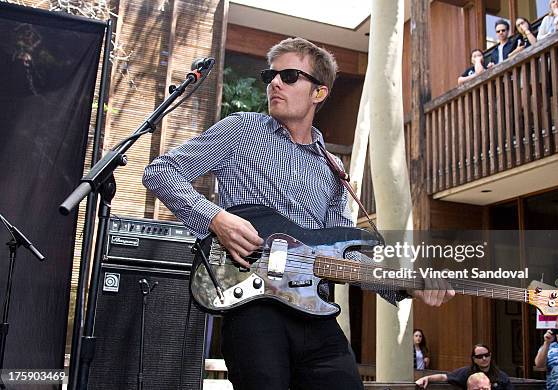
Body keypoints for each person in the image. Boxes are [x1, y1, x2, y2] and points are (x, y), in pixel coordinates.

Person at [143, 37, 454, 390]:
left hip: (313, 310)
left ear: (319, 93)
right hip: (251, 302)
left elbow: (347, 256)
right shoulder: (241, 129)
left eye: (289, 76)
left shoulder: (333, 167)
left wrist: (409, 285)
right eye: (271, 76)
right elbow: (161, 171)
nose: (274, 83)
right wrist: (215, 217)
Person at [415, 344, 513, 389]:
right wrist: (426, 378)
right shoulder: (466, 372)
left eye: (486, 355)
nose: (484, 358)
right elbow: (444, 377)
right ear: (474, 359)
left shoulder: (501, 376)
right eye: (479, 356)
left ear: (490, 356)